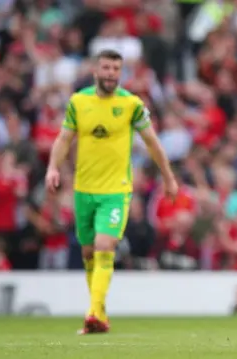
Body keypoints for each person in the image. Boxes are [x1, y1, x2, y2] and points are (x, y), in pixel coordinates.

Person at [45, 49, 177, 335]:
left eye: (115, 69)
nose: (110, 74)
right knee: (89, 250)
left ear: (121, 72)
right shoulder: (79, 102)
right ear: (96, 70)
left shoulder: (131, 104)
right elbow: (64, 138)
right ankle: (100, 315)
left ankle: (92, 312)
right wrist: (52, 168)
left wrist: (168, 178)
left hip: (116, 191)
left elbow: (153, 142)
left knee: (105, 245)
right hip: (84, 189)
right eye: (105, 68)